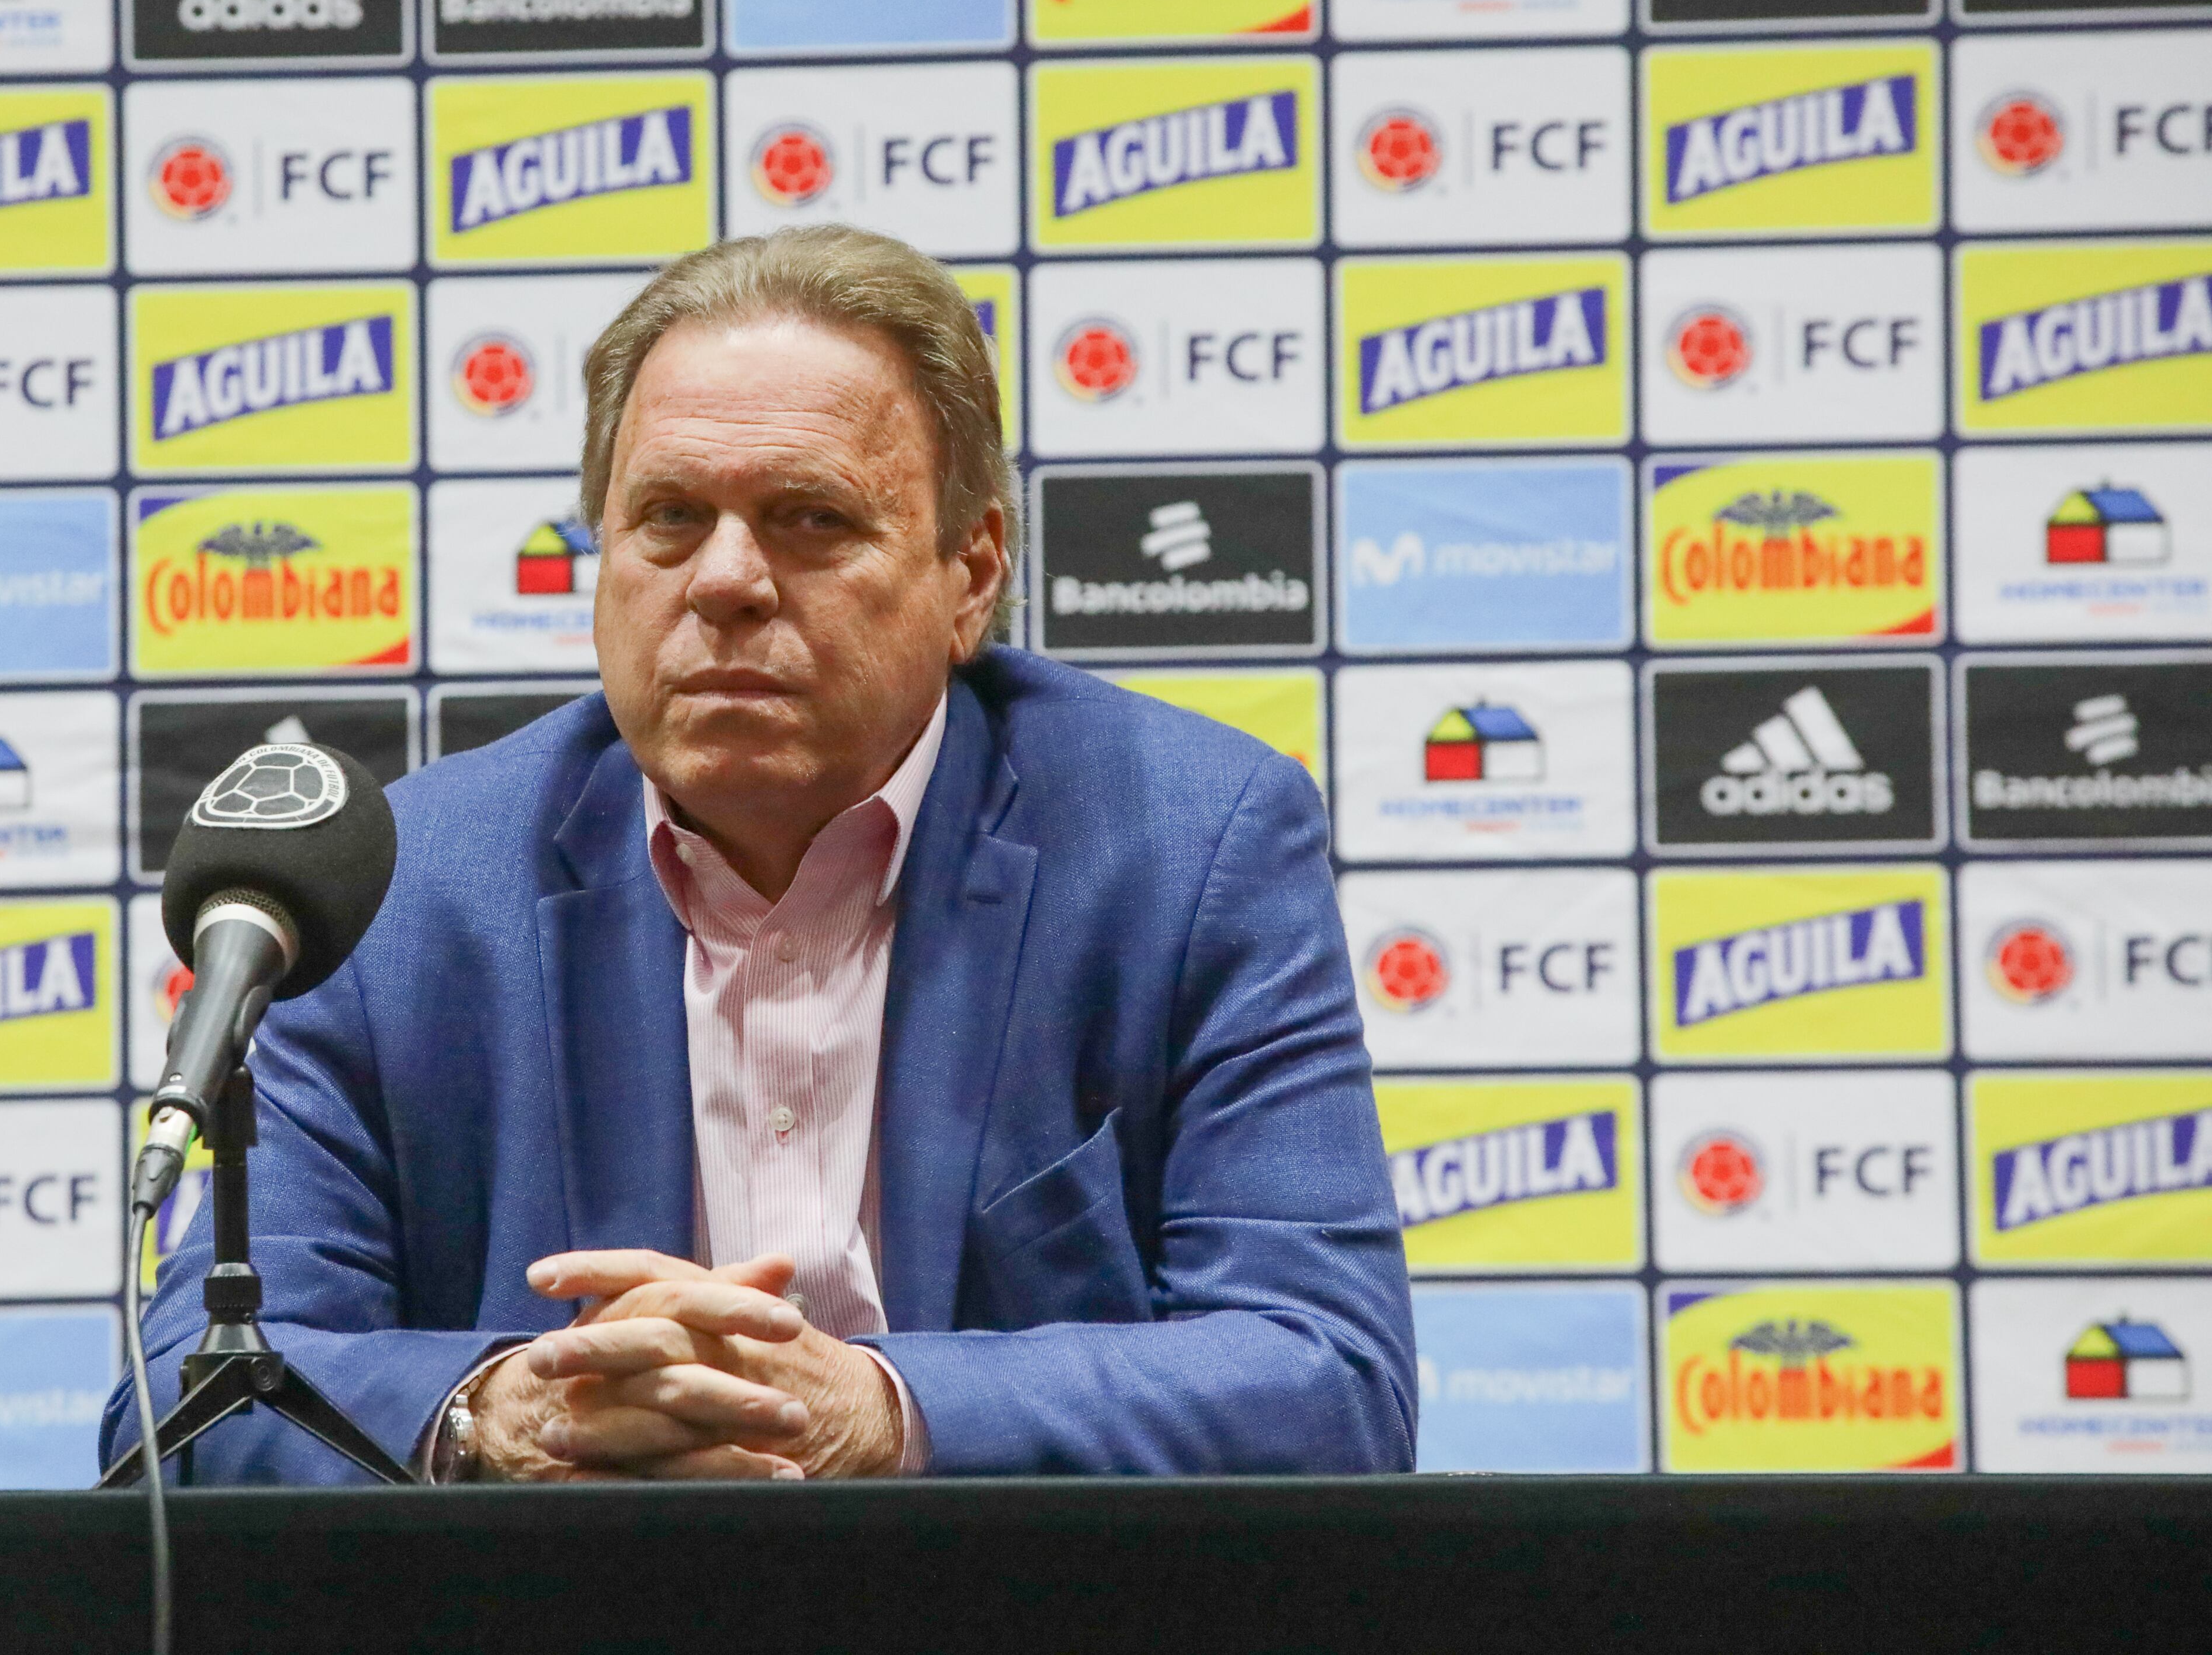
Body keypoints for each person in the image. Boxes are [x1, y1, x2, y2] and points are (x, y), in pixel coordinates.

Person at [102, 225, 1414, 1482]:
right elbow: (181, 1401)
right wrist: (497, 1412)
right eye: (670, 516)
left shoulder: (1188, 845)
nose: (725, 578)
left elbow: (1329, 1375)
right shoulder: (400, 889)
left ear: (970, 574)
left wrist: (884, 1408)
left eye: (810, 518)